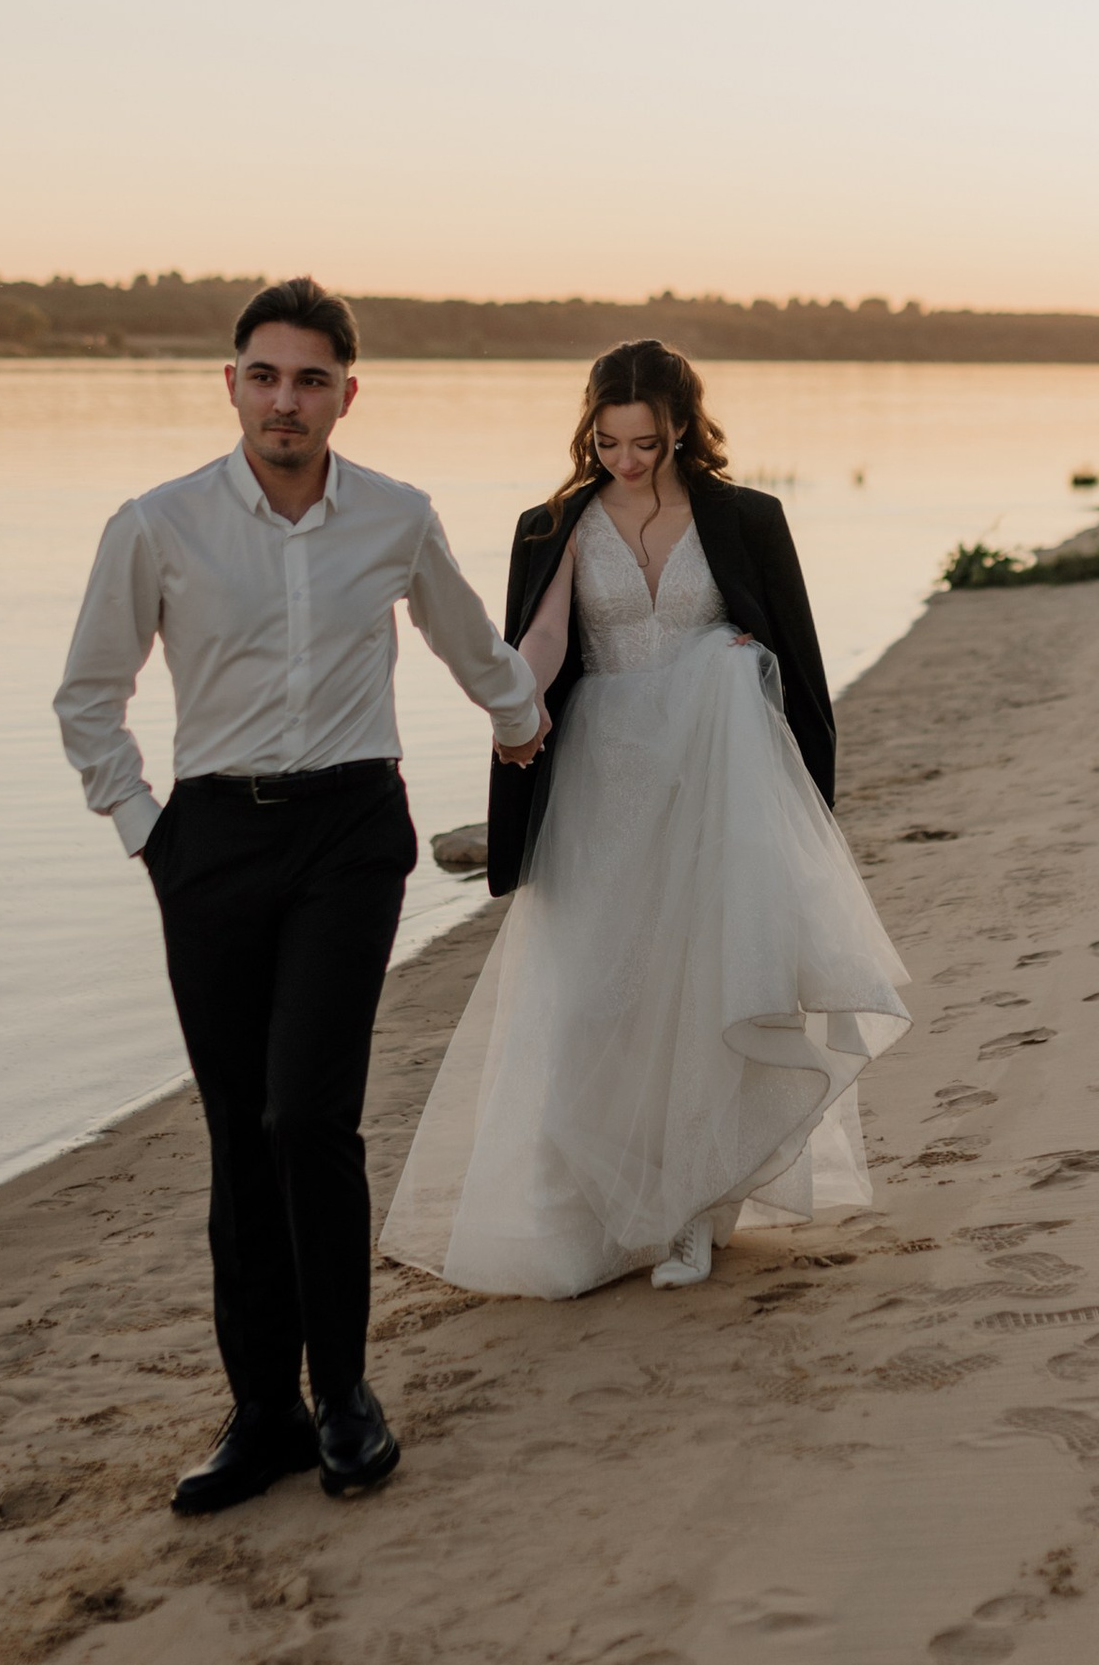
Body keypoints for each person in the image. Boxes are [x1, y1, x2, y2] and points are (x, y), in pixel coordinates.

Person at [53, 275, 544, 1514]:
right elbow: (88, 694)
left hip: (346, 836)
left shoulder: (394, 514)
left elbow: (468, 641)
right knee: (236, 1131)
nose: (287, 399)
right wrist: (148, 831)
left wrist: (530, 724)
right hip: (210, 840)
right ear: (231, 382)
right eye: (265, 375)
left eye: (311, 378)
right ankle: (262, 1409)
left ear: (345, 393)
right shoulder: (157, 524)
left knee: (308, 1117)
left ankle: (349, 1396)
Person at [381, 340, 907, 1298]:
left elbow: (798, 656)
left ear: (680, 428)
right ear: (591, 430)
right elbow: (538, 642)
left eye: (647, 443)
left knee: (704, 994)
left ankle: (693, 1216)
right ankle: (593, 1207)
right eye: (610, 441)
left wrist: (751, 689)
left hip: (717, 781)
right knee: (597, 1003)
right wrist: (513, 715)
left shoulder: (747, 518)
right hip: (602, 783)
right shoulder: (555, 526)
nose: (627, 461)